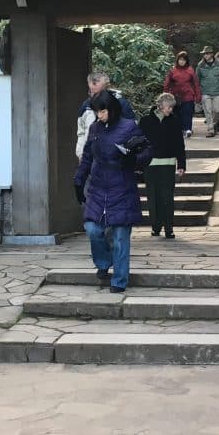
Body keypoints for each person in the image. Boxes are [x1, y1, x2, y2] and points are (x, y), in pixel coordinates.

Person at [74, 90, 151, 293]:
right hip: (99, 186)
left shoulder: (129, 127)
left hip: (122, 186)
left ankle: (119, 280)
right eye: (97, 112)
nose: (100, 116)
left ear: (112, 109)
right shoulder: (95, 129)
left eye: (102, 111)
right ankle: (103, 261)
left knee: (120, 237)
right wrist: (79, 181)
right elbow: (88, 157)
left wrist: (134, 157)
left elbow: (146, 152)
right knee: (93, 230)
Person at [139, 93, 185, 239]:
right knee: (153, 197)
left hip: (168, 163)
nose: (170, 109)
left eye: (172, 107)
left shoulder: (175, 121)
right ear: (160, 106)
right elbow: (139, 142)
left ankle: (169, 227)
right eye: (168, 106)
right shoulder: (146, 121)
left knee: (167, 197)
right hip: (150, 163)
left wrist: (181, 163)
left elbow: (179, 144)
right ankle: (155, 226)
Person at [76, 72, 136, 160]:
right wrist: (81, 153)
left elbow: (132, 130)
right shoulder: (86, 106)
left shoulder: (120, 103)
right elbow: (81, 131)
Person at [163, 50, 201, 138]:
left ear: (186, 61)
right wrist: (165, 94)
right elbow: (167, 83)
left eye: (183, 60)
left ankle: (188, 129)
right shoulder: (172, 70)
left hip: (188, 95)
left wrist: (198, 96)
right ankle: (179, 129)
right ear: (177, 60)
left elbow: (196, 84)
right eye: (180, 60)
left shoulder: (190, 70)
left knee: (187, 112)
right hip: (175, 95)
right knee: (177, 113)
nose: (182, 62)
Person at [196, 46, 219, 138]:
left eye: (207, 53)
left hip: (217, 91)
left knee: (217, 111)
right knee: (208, 111)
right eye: (204, 54)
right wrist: (197, 92)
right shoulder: (200, 65)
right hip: (205, 91)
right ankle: (210, 129)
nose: (205, 55)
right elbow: (197, 79)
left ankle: (214, 125)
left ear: (211, 54)